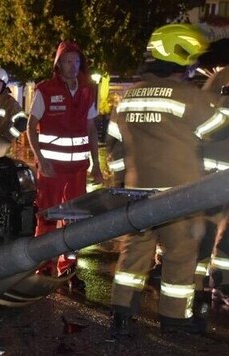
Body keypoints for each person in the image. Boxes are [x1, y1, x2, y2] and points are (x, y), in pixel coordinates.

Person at [108, 24, 229, 338]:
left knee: (133, 254)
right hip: (180, 196)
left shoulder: (127, 97)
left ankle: (121, 315)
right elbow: (219, 131)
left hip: (137, 196)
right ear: (180, 57)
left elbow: (115, 149)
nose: (192, 68)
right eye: (190, 61)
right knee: (180, 256)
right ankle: (173, 321)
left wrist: (121, 183)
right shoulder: (189, 97)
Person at [26, 41, 103, 288]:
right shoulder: (45, 90)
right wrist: (40, 159)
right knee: (48, 216)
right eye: (68, 61)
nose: (73, 66)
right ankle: (44, 265)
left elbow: (91, 129)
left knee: (77, 218)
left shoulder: (88, 90)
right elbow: (30, 127)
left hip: (78, 168)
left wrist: (97, 165)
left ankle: (69, 267)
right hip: (52, 169)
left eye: (77, 61)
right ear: (58, 64)